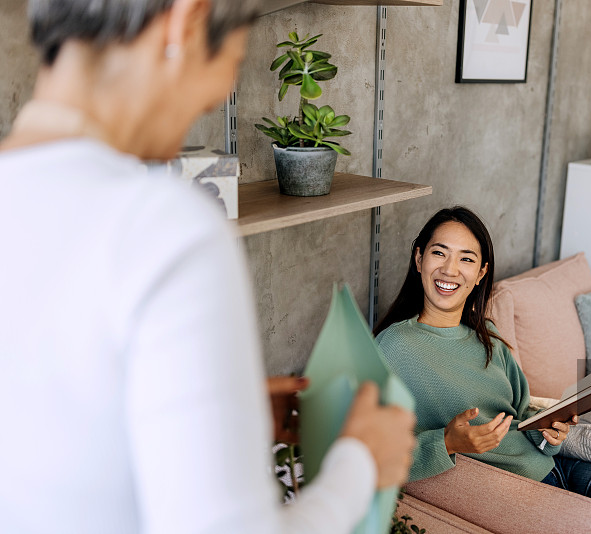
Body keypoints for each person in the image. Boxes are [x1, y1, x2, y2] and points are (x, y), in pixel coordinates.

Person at [0, 1, 415, 533]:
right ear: (186, 21)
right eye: (236, 60)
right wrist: (360, 462)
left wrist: (208, 405)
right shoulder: (162, 225)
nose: (220, 92)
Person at [374, 206, 591, 534]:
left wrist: (548, 431)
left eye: (466, 259)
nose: (450, 270)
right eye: (439, 252)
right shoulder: (394, 348)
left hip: (556, 466)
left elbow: (520, 413)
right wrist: (447, 442)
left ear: (481, 273)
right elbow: (367, 450)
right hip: (520, 492)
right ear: (419, 258)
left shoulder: (488, 338)